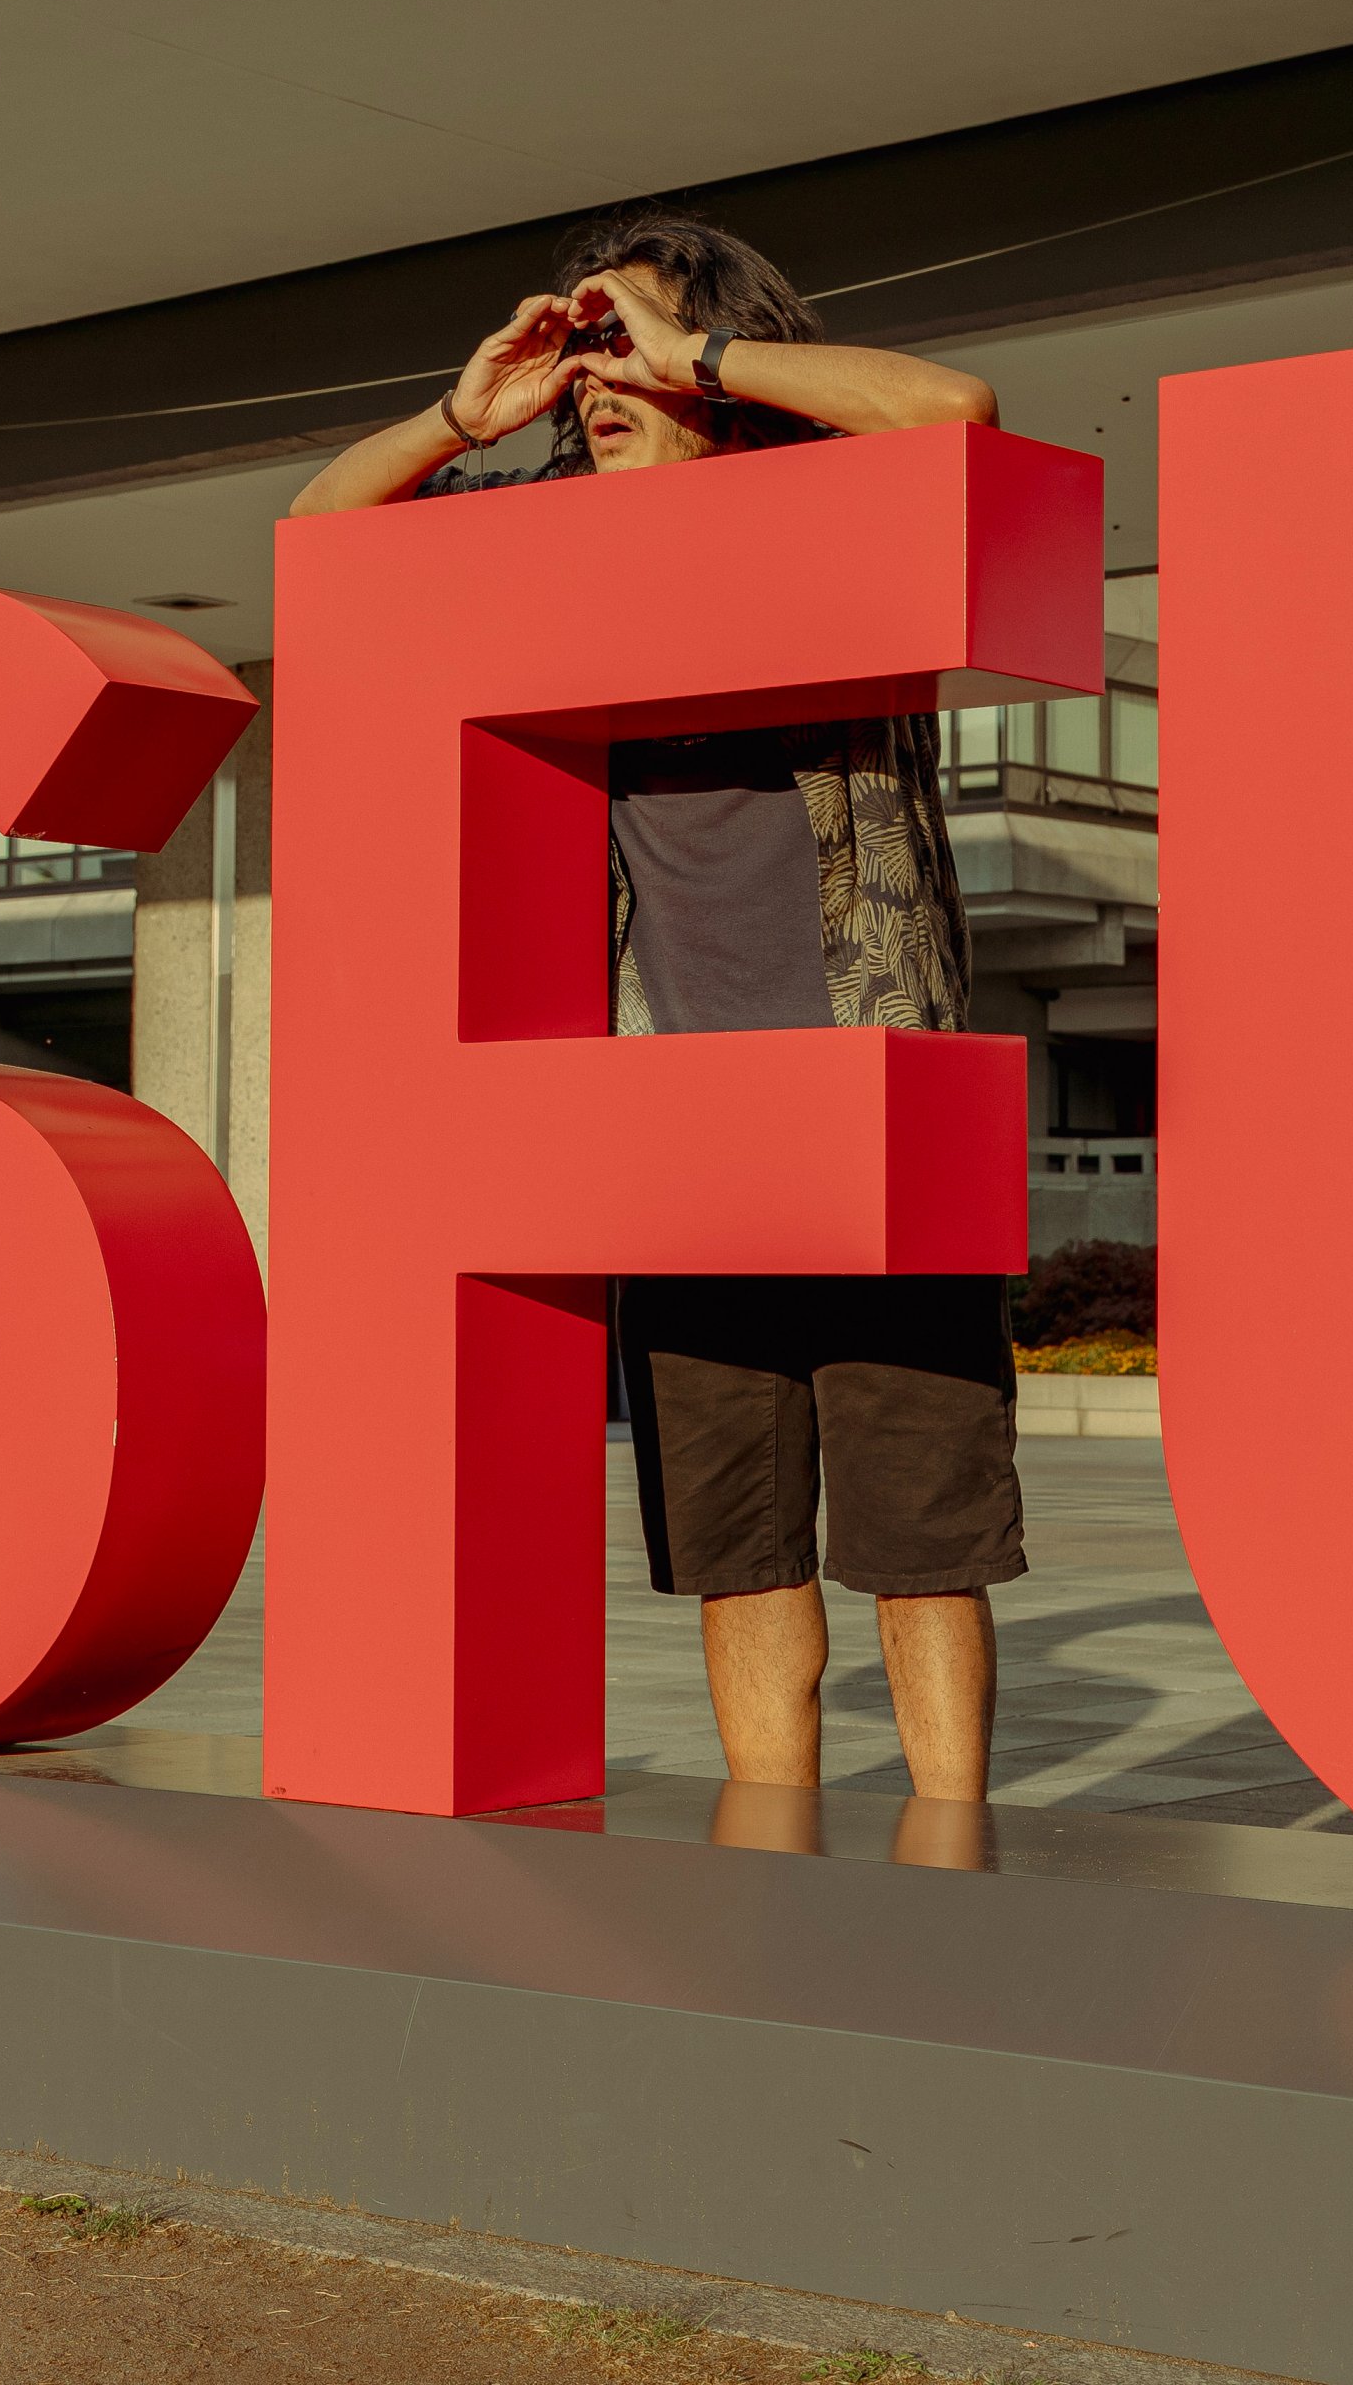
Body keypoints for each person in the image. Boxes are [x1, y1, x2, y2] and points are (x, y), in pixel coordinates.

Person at [294, 211, 1022, 1806]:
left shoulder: (837, 514)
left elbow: (955, 410)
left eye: (624, 344)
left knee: (922, 1537)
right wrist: (463, 414)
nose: (597, 377)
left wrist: (694, 352)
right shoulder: (540, 550)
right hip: (671, 1130)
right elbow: (319, 537)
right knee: (737, 1545)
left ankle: (953, 1873)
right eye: (582, 351)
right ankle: (777, 1864)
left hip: (867, 1094)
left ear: (714, 351)